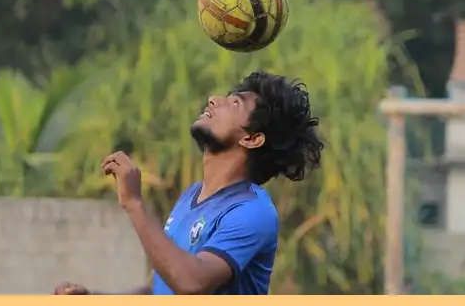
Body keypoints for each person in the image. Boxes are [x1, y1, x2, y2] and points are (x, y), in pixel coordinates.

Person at [54, 70, 324, 295]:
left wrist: (135, 204)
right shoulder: (192, 195)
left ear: (252, 138)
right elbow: (156, 290)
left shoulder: (252, 211)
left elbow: (191, 282)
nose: (213, 100)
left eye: (234, 103)